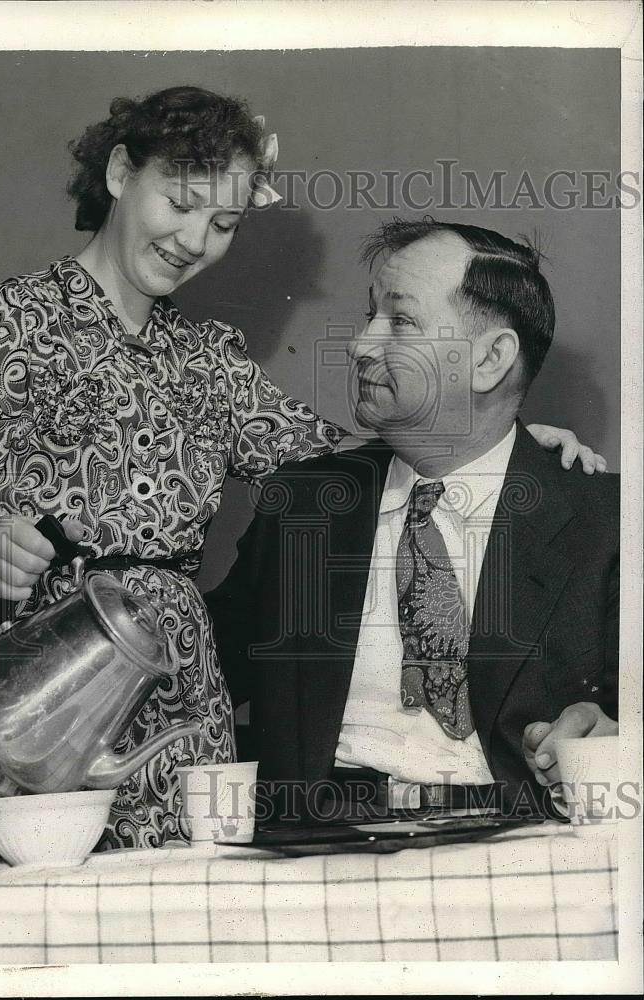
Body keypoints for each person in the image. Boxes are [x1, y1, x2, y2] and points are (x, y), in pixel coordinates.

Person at [0, 85, 602, 864]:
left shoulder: (209, 358)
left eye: (223, 223)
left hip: (176, 687)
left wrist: (500, 436)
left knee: (172, 917)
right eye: (179, 203)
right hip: (38, 665)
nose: (194, 240)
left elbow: (345, 458)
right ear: (118, 173)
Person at [206, 218, 619, 824]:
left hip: (523, 858)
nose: (359, 346)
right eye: (370, 316)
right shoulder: (301, 509)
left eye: (400, 322)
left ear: (490, 359)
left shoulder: (607, 522)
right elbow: (197, 677)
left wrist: (618, 737)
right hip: (314, 856)